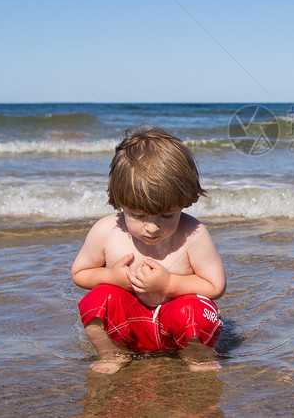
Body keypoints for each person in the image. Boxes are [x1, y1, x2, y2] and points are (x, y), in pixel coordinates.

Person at [71, 127, 226, 374]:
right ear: (119, 201)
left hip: (175, 325)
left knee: (194, 310)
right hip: (129, 325)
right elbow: (80, 273)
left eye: (166, 215)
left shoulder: (193, 233)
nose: (152, 227)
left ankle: (199, 358)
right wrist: (111, 278)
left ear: (185, 201)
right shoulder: (106, 231)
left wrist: (168, 284)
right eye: (138, 215)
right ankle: (112, 353)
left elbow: (215, 286)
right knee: (98, 299)